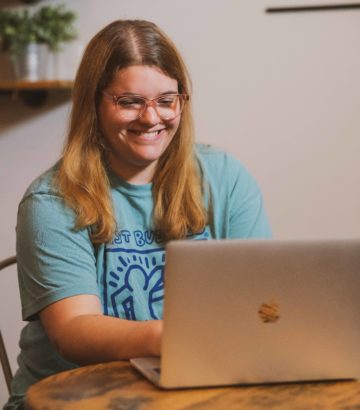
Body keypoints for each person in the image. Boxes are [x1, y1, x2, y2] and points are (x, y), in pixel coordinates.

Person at [4, 19, 271, 409]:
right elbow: (74, 331)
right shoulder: (50, 200)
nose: (151, 118)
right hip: (67, 398)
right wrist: (167, 339)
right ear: (93, 104)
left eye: (166, 100)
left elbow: (261, 297)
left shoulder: (225, 178)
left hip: (186, 391)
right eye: (129, 102)